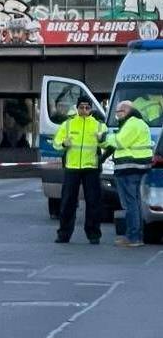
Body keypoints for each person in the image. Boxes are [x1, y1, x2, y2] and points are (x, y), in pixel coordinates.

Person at [54, 97, 105, 244]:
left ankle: (94, 234)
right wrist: (64, 143)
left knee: (93, 202)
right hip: (72, 167)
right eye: (81, 107)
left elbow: (108, 143)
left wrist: (102, 139)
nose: (84, 110)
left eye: (87, 107)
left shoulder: (99, 126)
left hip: (91, 168)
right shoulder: (68, 124)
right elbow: (56, 143)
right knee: (67, 202)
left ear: (91, 109)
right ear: (77, 108)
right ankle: (63, 234)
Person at [104, 100, 152, 247]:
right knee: (135, 203)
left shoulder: (131, 123)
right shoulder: (140, 123)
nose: (117, 116)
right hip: (138, 168)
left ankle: (133, 237)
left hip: (128, 168)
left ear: (125, 110)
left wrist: (104, 137)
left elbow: (119, 141)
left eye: (118, 112)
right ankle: (135, 236)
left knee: (129, 204)